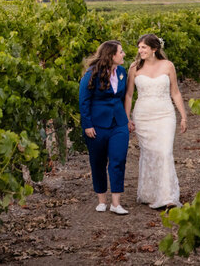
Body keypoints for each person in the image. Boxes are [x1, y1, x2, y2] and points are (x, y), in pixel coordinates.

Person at [125, 33, 188, 209]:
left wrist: (183, 116)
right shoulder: (134, 68)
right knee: (150, 153)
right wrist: (127, 117)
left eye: (143, 47)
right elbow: (129, 95)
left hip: (165, 114)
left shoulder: (168, 66)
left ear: (154, 49)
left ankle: (167, 196)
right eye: (139, 47)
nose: (140, 50)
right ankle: (150, 193)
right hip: (143, 116)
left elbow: (175, 92)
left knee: (164, 152)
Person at [79, 40, 130, 215]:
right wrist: (87, 125)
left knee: (118, 160)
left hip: (119, 124)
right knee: (98, 162)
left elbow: (124, 97)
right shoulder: (92, 73)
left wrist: (127, 119)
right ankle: (102, 199)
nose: (123, 55)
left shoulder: (122, 72)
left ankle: (116, 203)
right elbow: (83, 100)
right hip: (97, 125)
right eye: (121, 52)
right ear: (112, 55)